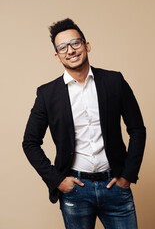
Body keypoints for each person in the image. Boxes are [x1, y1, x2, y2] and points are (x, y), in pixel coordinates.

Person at [22, 18, 146, 229]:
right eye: (62, 47)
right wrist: (58, 181)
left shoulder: (114, 81)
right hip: (75, 191)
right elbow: (30, 142)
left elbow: (137, 130)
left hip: (115, 186)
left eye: (75, 43)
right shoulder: (47, 94)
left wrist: (127, 176)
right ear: (57, 55)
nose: (70, 50)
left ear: (87, 45)